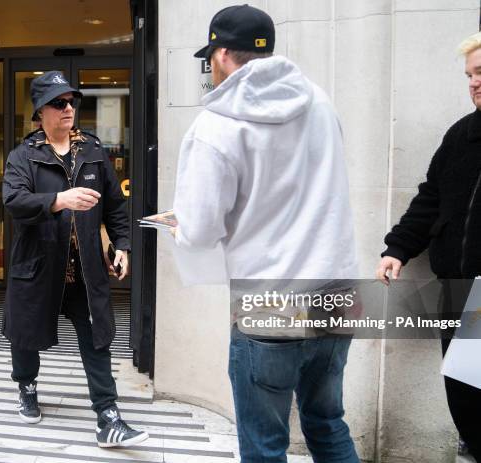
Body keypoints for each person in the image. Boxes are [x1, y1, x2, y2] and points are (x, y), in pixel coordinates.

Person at [172, 5, 360, 462]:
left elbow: (198, 231)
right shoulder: (318, 100)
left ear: (219, 55)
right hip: (337, 289)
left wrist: (180, 223)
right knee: (327, 422)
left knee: (264, 444)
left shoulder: (215, 125)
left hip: (271, 300)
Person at [2, 71, 148, 448]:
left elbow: (116, 205)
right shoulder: (23, 156)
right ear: (40, 111)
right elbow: (15, 202)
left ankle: (108, 414)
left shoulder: (93, 151)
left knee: (96, 337)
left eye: (71, 101)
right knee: (26, 334)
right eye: (58, 102)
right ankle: (27, 387)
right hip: (38, 265)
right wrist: (58, 200)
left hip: (85, 267)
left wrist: (122, 245)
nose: (68, 109)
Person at [376, 31, 481, 463]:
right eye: (470, 75)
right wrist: (398, 248)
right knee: (467, 395)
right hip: (462, 294)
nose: (475, 82)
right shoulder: (462, 135)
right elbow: (430, 198)